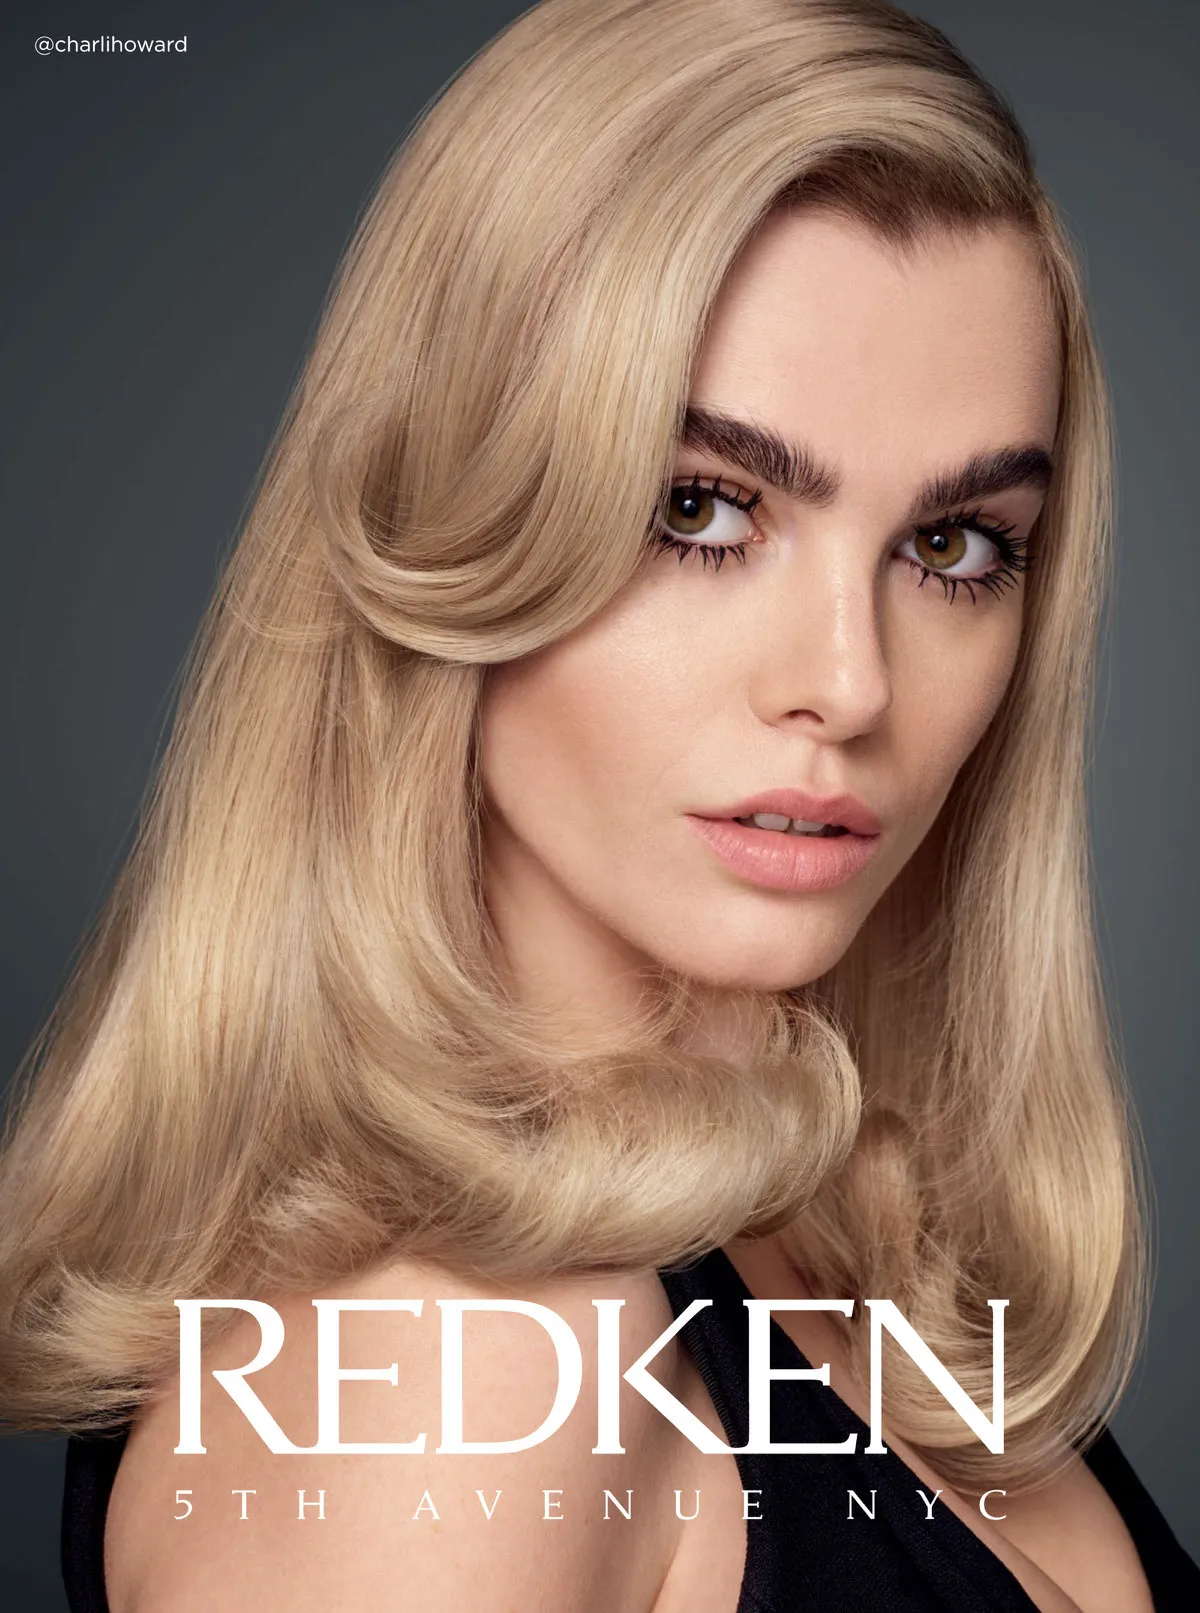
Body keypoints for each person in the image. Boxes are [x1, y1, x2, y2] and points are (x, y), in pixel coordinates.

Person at [1, 0, 1197, 1608]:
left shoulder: (835, 1244)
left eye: (954, 545)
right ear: (455, 517)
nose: (851, 684)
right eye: (700, 508)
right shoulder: (453, 1386)